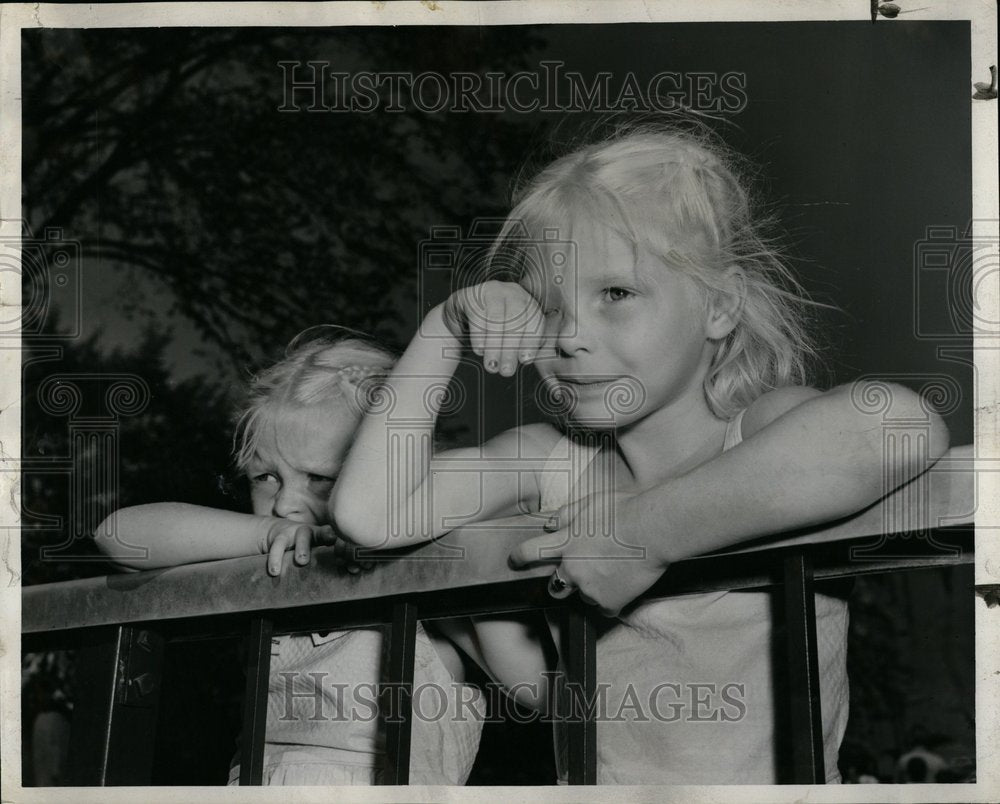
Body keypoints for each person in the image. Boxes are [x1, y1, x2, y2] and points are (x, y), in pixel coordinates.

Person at [332, 121, 950, 784]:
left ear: (721, 306)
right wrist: (445, 327)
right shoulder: (552, 462)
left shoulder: (758, 435)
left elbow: (899, 427)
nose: (568, 336)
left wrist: (647, 533)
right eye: (547, 306)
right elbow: (371, 514)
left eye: (617, 294)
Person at [94, 328, 485, 785]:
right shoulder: (274, 565)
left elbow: (539, 687)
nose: (284, 504)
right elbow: (116, 534)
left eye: (320, 479)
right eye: (265, 477)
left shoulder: (428, 575)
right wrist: (264, 534)